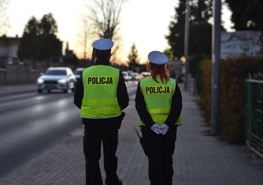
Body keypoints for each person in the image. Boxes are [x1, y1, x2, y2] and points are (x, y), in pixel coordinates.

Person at [74, 38, 129, 185]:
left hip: (91, 123)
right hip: (111, 122)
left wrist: (91, 110)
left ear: (95, 54)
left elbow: (77, 99)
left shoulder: (85, 74)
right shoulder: (116, 74)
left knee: (92, 157)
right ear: (109, 54)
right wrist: (113, 110)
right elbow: (124, 101)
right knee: (110, 155)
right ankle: (112, 180)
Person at [135, 51, 182, 185]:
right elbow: (177, 106)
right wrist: (167, 124)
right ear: (164, 67)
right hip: (169, 129)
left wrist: (151, 125)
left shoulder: (143, 84)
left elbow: (140, 107)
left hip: (149, 129)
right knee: (167, 159)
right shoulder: (172, 83)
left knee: (153, 160)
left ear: (150, 66)